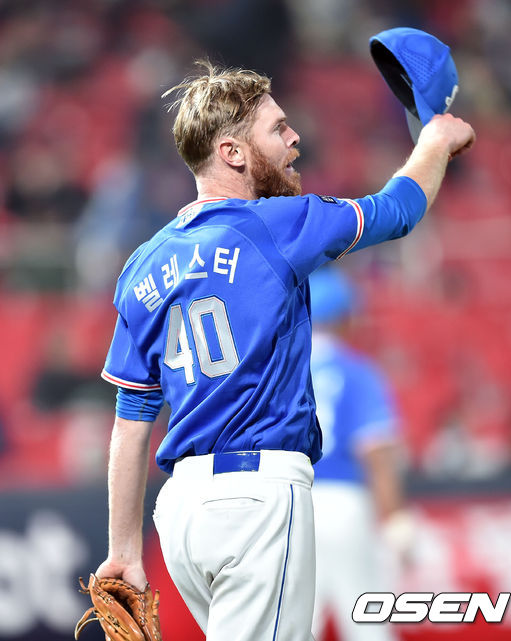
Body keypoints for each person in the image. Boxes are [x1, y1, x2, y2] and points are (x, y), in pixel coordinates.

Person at [94, 59, 475, 641]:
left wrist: (123, 549)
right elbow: (398, 210)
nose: (295, 137)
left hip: (180, 514)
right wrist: (437, 140)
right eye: (277, 128)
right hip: (258, 495)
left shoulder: (142, 265)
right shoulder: (275, 225)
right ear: (232, 153)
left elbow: (131, 419)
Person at [309, 267, 411, 641]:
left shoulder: (279, 373)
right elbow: (377, 453)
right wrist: (396, 521)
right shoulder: (356, 371)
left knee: (294, 624)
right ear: (345, 318)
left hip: (289, 503)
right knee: (366, 619)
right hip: (344, 502)